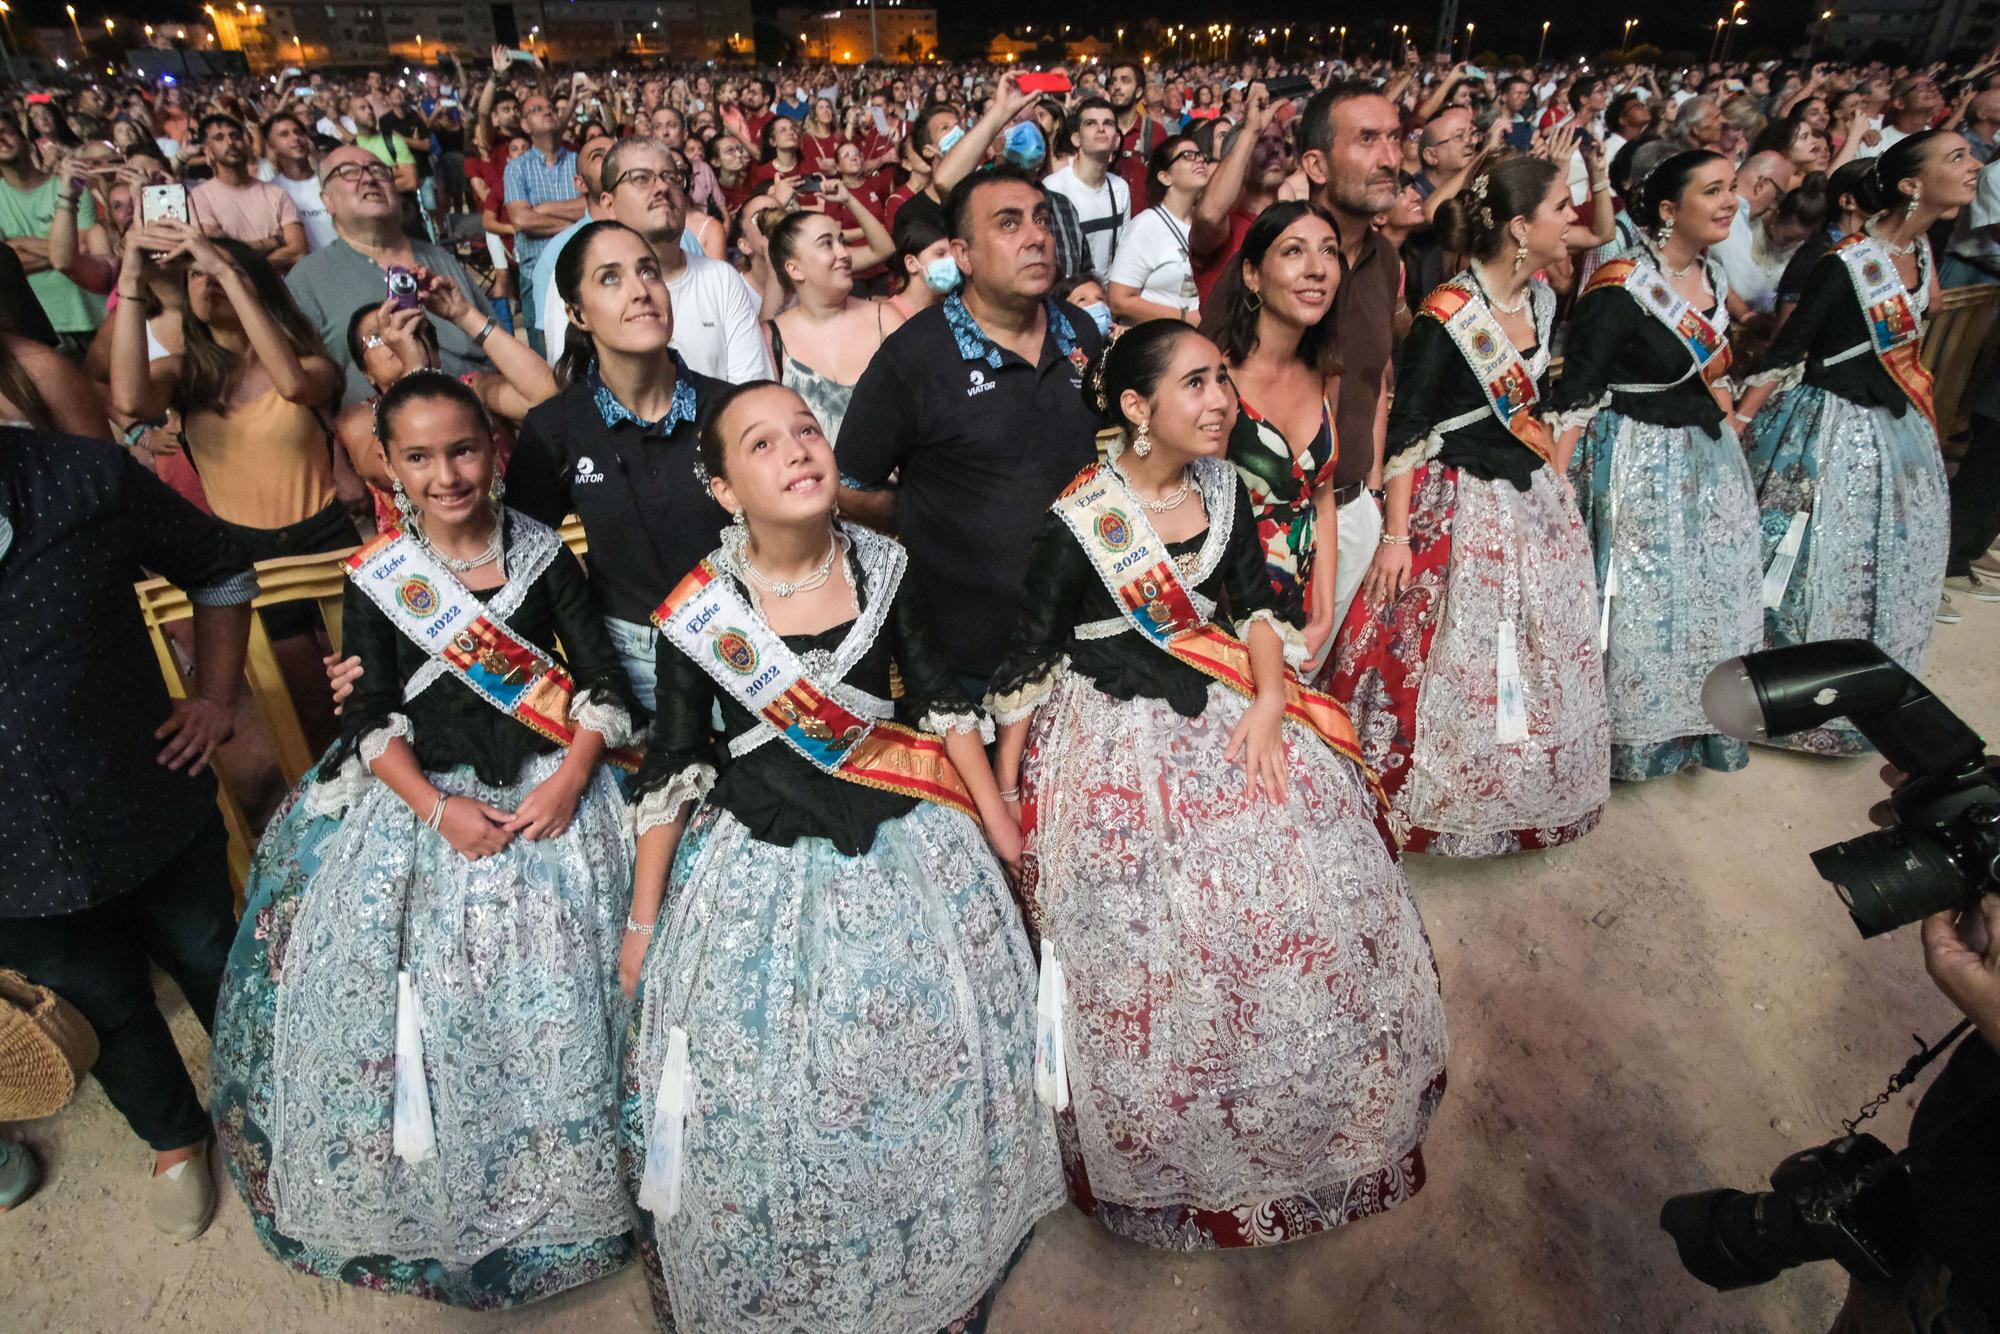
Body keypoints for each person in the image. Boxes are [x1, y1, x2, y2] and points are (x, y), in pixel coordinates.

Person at [983, 320, 1446, 1249]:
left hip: (1233, 701)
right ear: (1134, 409)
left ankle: (1300, 1116)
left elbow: (1256, 609)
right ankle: (1175, 1150)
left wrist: (1273, 699)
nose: (1220, 402)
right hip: (1111, 740)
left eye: (1223, 382)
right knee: (1152, 942)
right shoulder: (1081, 521)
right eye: (1195, 384)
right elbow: (1027, 667)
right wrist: (1006, 806)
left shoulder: (1227, 489)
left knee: (1290, 896)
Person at [621, 379, 1058, 1332]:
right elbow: (674, 762)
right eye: (763, 445)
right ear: (727, 490)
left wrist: (996, 820)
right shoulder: (698, 612)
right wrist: (643, 920)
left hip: (902, 829)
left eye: (806, 431)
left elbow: (939, 701)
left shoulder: (887, 563)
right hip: (759, 854)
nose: (797, 452)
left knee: (921, 1048)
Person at [210, 370, 639, 1306]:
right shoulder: (378, 577)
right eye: (420, 457)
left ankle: (575, 1191)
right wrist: (437, 811)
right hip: (421, 802)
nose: (447, 474)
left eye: (464, 449)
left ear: (494, 450)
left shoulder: (543, 558)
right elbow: (367, 716)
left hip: (550, 792)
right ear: (389, 468)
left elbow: (600, 682)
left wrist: (572, 776)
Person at [0, 425, 253, 1241]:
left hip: (147, 802)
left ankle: (273, 1110)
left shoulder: (81, 476)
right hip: (12, 865)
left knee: (220, 961)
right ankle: (176, 1140)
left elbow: (220, 567)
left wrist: (216, 698)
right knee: (97, 1005)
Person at [1330, 152, 1611, 855]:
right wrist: (1396, 538)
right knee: (1455, 660)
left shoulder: (1542, 298)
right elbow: (1410, 429)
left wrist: (1556, 474)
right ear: (1521, 226)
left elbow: (1536, 402)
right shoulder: (1446, 316)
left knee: (1535, 650)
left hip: (1527, 497)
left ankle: (1521, 793)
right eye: (1560, 208)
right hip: (1455, 505)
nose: (1572, 220)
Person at [1735, 131, 1981, 751]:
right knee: (1808, 565)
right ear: (1910, 184)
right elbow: (1787, 352)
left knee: (1883, 567)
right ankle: (1782, 698)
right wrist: (1738, 424)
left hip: (1896, 433)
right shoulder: (1847, 264)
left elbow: (1926, 313)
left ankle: (1863, 696)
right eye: (1957, 157)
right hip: (1830, 433)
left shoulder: (1920, 249)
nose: (1975, 164)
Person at [837, 167, 1105, 699]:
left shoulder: (1079, 332)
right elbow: (848, 486)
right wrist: (930, 511)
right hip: (968, 660)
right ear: (963, 255)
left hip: (1084, 640)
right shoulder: (913, 357)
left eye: (1042, 220)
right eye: (1009, 224)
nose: (1036, 237)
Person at [1550, 149, 1764, 782]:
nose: (1731, 202)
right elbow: (1577, 394)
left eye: (1732, 189)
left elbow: (1714, 378)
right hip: (1633, 460)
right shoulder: (1620, 284)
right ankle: (1624, 741)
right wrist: (1558, 493)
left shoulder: (1713, 279)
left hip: (1705, 460)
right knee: (1637, 607)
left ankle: (1695, 730)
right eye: (1713, 191)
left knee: (1706, 599)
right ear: (1669, 210)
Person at [109, 222, 349, 746]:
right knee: (310, 707)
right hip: (249, 550)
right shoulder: (183, 375)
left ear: (255, 285)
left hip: (328, 538)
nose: (206, 280)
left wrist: (224, 270)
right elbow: (127, 402)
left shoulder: (311, 363)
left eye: (221, 270)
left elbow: (292, 385)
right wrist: (131, 276)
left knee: (369, 688)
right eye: (193, 274)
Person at [507, 220, 731, 706]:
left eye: (648, 272)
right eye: (610, 278)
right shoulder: (555, 427)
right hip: (635, 662)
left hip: (750, 649)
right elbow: (517, 558)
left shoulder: (734, 410)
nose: (640, 291)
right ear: (577, 314)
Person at [1201, 201, 1344, 674]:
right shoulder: (1218, 381)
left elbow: (1320, 494)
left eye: (1328, 252)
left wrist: (1322, 614)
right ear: (1252, 275)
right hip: (1229, 620)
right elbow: (1204, 515)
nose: (1317, 269)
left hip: (1300, 616)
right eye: (1294, 252)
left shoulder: (1326, 373)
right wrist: (1250, 635)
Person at [1299, 82, 1402, 628]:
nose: (1389, 159)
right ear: (1316, 164)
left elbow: (1379, 381)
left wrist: (1377, 494)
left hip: (1357, 507)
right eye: (1367, 140)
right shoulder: (1275, 256)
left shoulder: (1384, 257)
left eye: (1394, 138)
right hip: (1282, 520)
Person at [286, 146, 499, 405]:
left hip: (486, 412)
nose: (369, 178)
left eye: (378, 170)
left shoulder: (438, 258)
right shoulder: (307, 280)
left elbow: (495, 343)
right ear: (327, 201)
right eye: (349, 172)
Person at [550, 137, 770, 384]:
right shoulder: (580, 281)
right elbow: (573, 390)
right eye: (641, 178)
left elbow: (749, 391)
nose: (662, 188)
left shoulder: (722, 279)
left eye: (671, 177)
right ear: (609, 204)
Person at [763, 208, 903, 445]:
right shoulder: (771, 339)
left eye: (841, 241)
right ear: (794, 269)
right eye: (826, 244)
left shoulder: (886, 320)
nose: (845, 253)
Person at [0, 116, 108, 352]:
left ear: (28, 143)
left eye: (5, 131)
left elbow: (83, 247)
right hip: (41, 326)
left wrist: (17, 243)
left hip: (93, 314)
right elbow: (4, 266)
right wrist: (62, 252)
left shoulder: (70, 187)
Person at [1106, 134, 1210, 326]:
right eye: (1187, 155)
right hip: (1160, 343)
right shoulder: (1145, 227)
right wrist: (1185, 318)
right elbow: (1118, 301)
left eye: (1200, 155)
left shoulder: (1208, 223)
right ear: (1165, 176)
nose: (1200, 160)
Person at [504, 92, 583, 335]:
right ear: (525, 125)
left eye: (550, 107)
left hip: (581, 272)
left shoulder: (579, 162)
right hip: (537, 275)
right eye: (537, 109)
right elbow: (522, 219)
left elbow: (594, 207)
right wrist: (579, 221)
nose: (548, 111)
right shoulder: (517, 167)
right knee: (544, 362)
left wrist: (545, 209)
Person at [188, 114, 306, 272]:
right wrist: (274, 241)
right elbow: (217, 255)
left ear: (246, 143)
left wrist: (240, 258)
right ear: (208, 151)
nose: (230, 142)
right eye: (219, 138)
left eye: (235, 136)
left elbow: (298, 252)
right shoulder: (198, 198)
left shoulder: (277, 194)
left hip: (282, 291)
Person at [1042, 98, 1132, 277]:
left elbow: (1124, 252)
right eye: (1091, 123)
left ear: (1116, 140)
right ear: (1076, 139)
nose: (1101, 128)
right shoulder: (1054, 188)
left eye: (1108, 123)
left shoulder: (1120, 188)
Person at [258, 111, 336, 254]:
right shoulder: (271, 191)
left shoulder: (331, 180)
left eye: (298, 132)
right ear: (272, 146)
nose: (295, 138)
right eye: (284, 135)